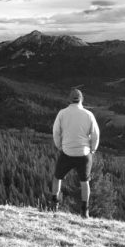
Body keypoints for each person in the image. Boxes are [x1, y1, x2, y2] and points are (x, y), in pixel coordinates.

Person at [51, 87, 99, 217]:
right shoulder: (88, 115)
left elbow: (56, 132)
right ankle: (85, 211)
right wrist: (93, 149)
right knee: (85, 182)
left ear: (69, 100)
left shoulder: (62, 113)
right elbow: (95, 135)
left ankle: (54, 206)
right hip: (84, 154)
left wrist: (59, 146)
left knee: (57, 178)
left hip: (67, 152)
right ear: (81, 99)